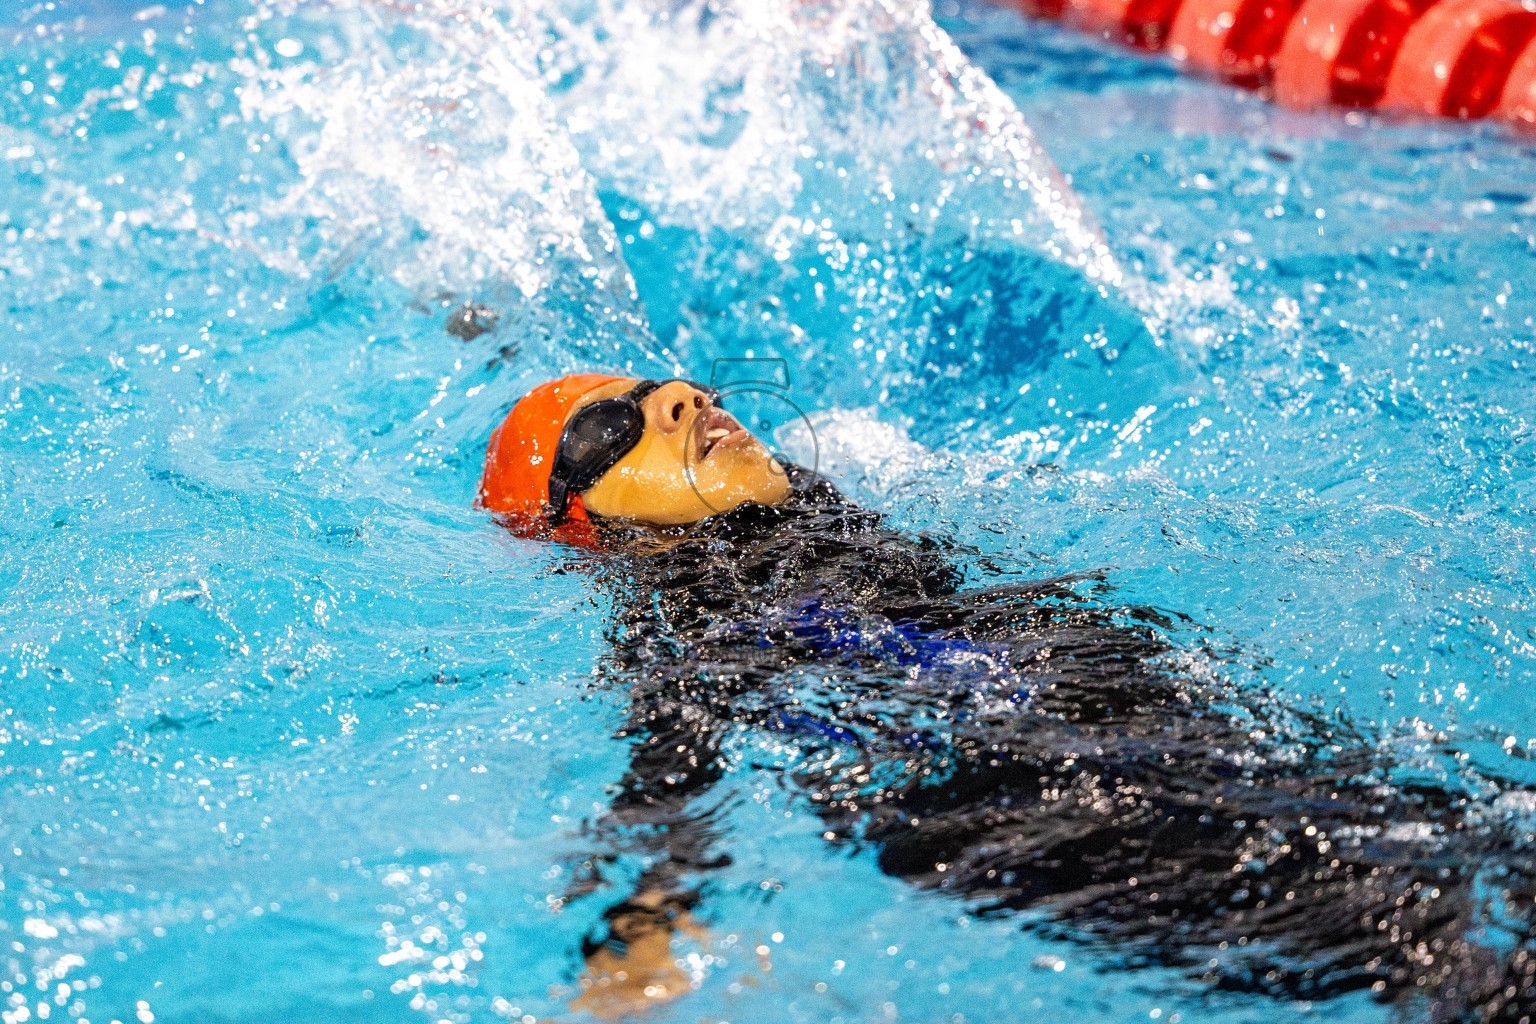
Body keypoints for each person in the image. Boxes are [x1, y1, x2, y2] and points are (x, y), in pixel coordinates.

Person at [480, 373, 1536, 1022]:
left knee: (1490, 847)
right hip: (1005, 797)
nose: (685, 400)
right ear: (580, 521)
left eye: (680, 388)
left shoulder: (831, 515)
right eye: (617, 424)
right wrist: (646, 929)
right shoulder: (681, 619)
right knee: (1429, 941)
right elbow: (669, 776)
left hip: (1118, 711)